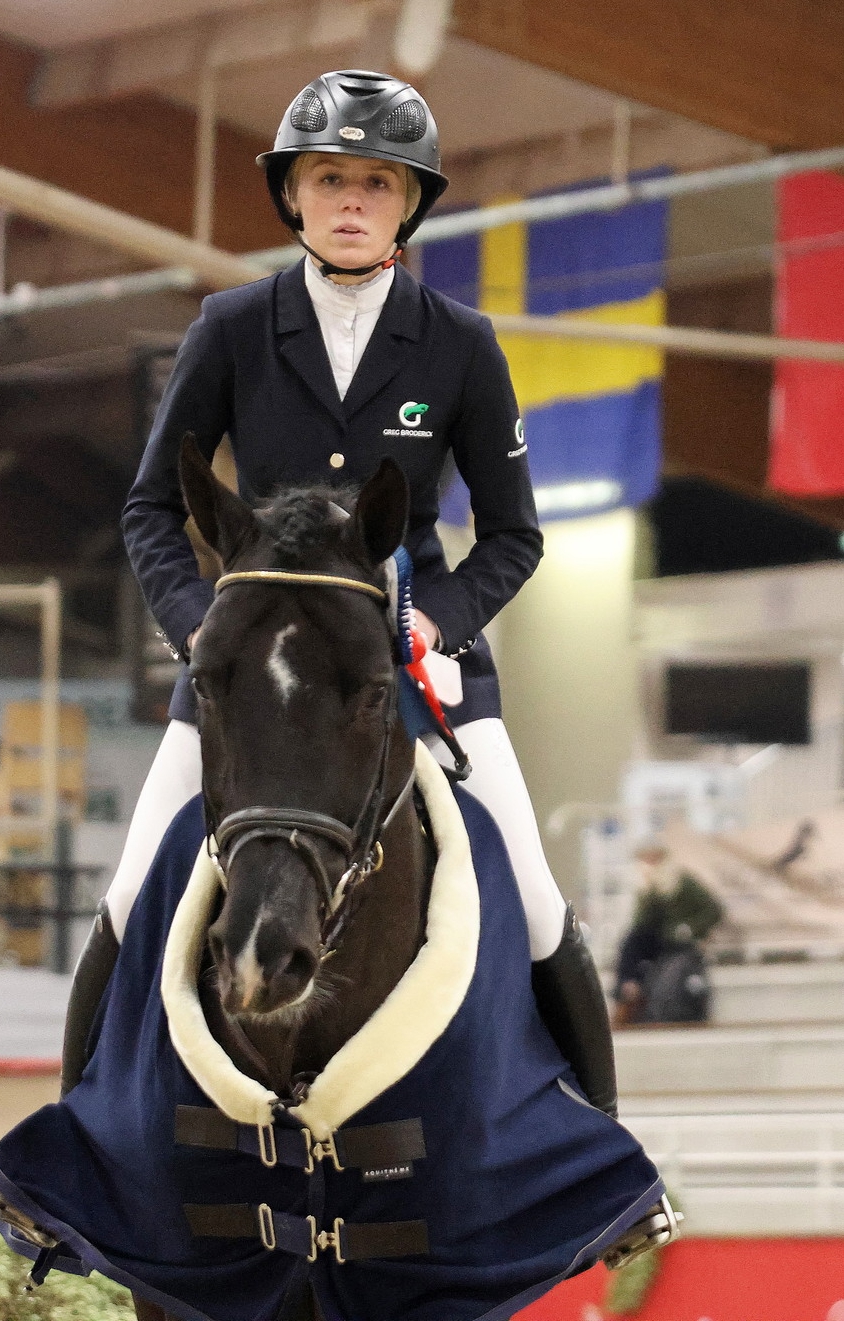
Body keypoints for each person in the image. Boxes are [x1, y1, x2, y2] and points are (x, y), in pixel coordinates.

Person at [62, 69, 618, 1120]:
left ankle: (607, 1166)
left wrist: (434, 625)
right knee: (132, 897)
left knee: (539, 907)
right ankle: (64, 1172)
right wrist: (201, 635)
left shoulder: (461, 342)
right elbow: (148, 510)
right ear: (295, 196)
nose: (352, 200)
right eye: (329, 180)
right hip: (254, 668)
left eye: (376, 181)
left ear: (408, 201)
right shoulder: (230, 327)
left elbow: (512, 535)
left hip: (412, 662)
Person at [613, 839, 724, 1026]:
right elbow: (642, 923)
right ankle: (626, 990)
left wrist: (690, 928)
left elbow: (714, 910)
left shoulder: (682, 882)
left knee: (637, 947)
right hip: (657, 940)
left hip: (678, 941)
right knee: (630, 945)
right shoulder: (647, 885)